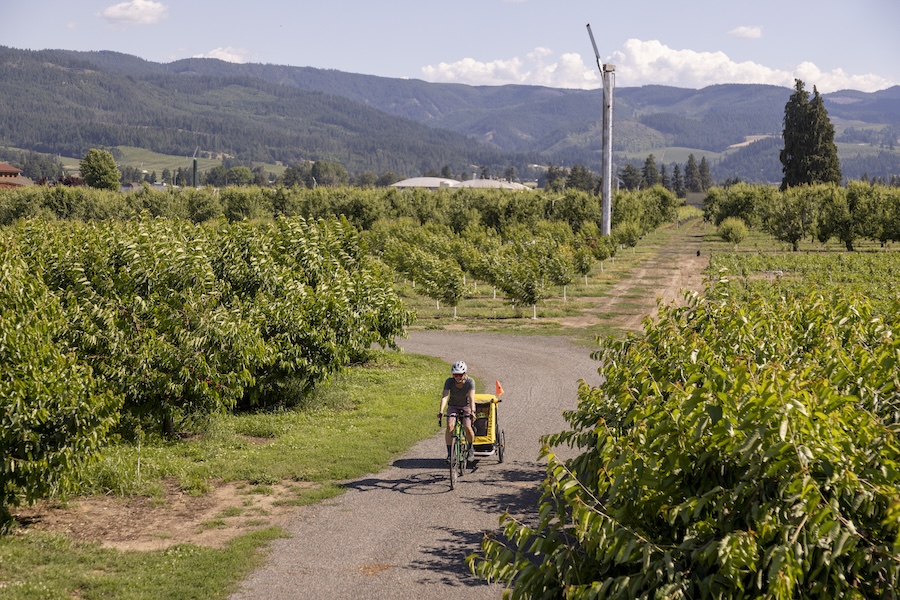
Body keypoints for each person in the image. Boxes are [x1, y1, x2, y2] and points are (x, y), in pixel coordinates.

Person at [438, 360, 476, 462]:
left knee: (467, 427)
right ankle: (450, 454)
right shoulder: (449, 382)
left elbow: (472, 398)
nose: (457, 377)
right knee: (450, 426)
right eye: (455, 375)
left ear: (464, 374)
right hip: (453, 406)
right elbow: (445, 396)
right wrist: (441, 411)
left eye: (460, 375)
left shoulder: (470, 382)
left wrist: (473, 411)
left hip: (466, 406)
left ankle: (470, 448)